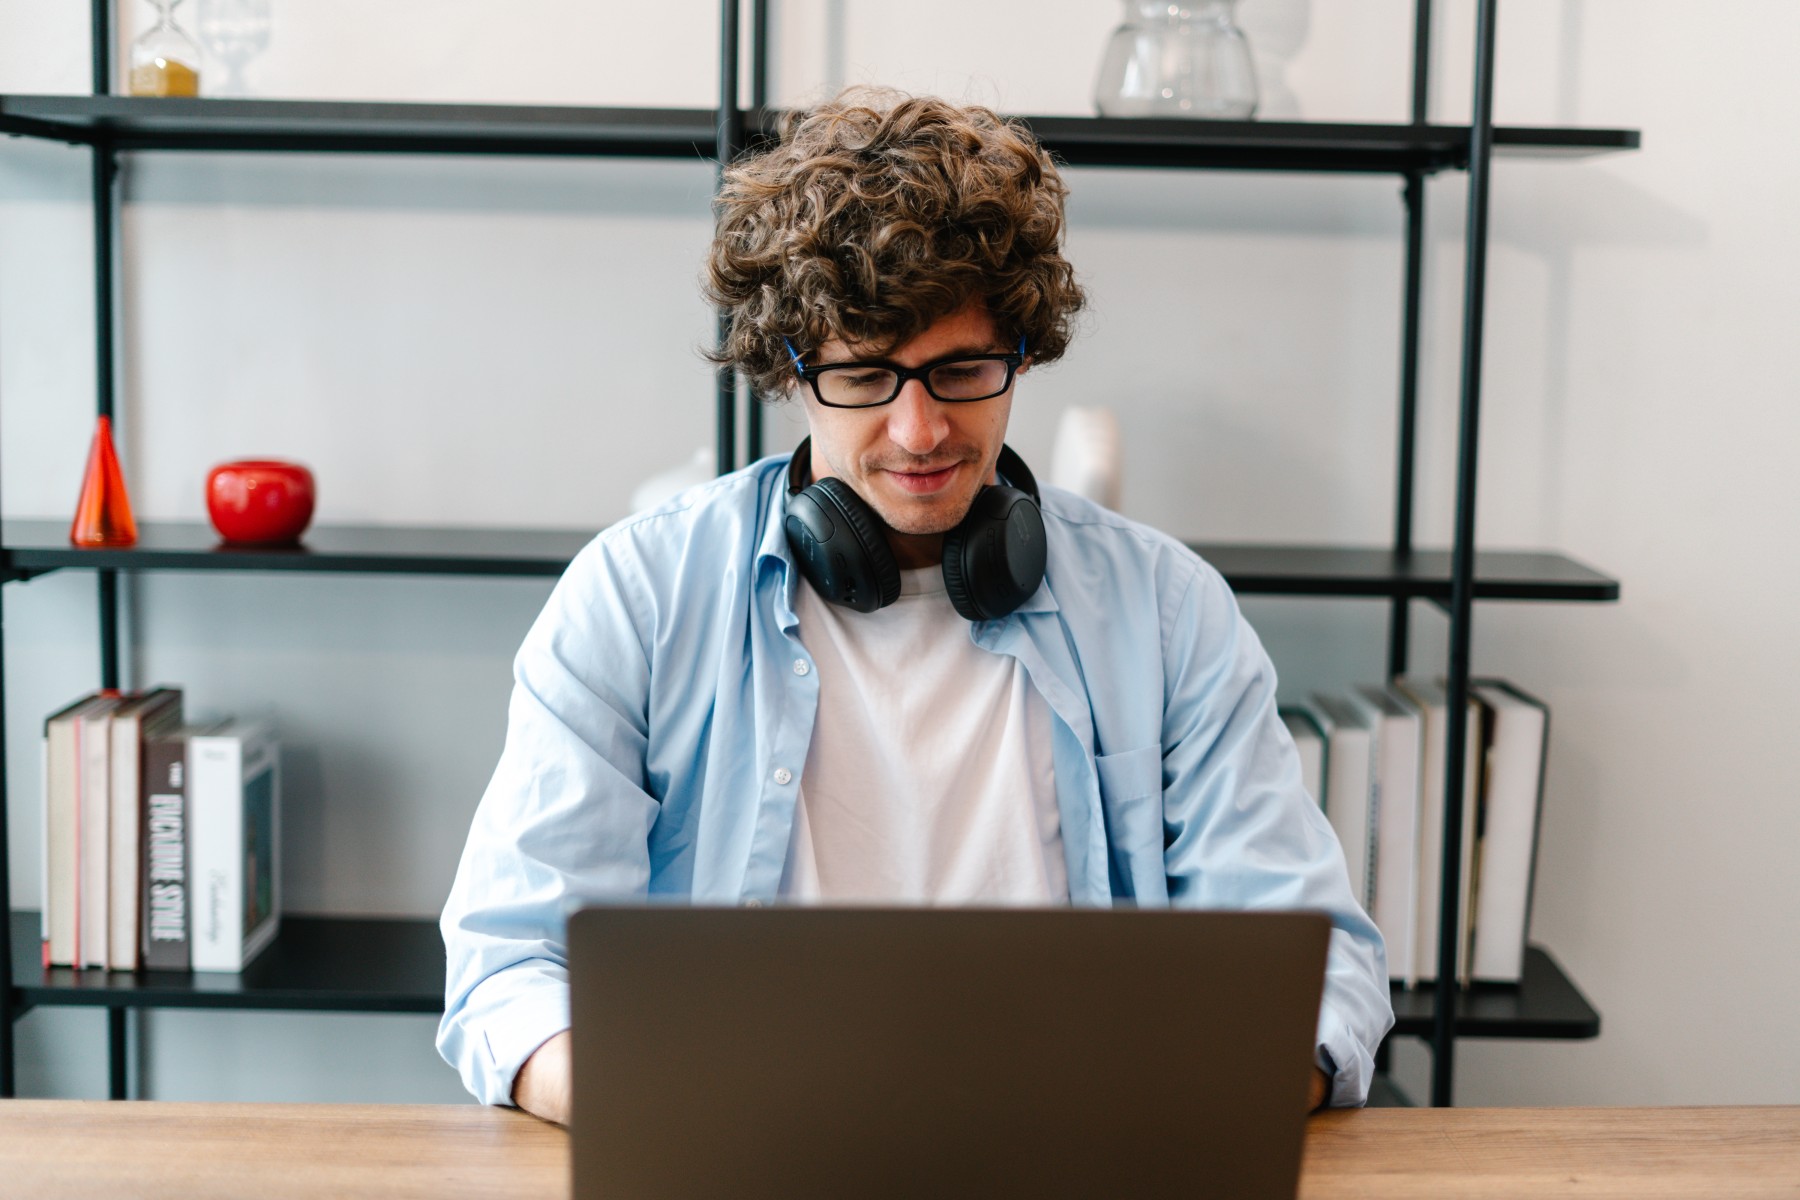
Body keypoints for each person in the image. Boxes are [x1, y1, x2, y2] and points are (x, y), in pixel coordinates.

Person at [437, 89, 1393, 1126]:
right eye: (863, 376)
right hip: (742, 1152)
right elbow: (507, 968)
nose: (920, 430)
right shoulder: (637, 597)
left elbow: (1324, 974)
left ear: (1021, 352)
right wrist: (683, 1117)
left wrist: (1174, 1115)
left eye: (961, 370)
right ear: (791, 369)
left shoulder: (1169, 613)